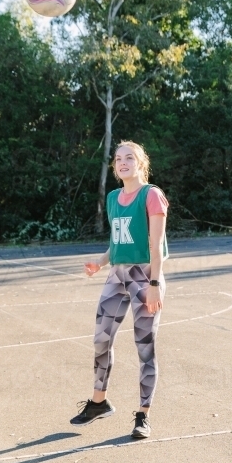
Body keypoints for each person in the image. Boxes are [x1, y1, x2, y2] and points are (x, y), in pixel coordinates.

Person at [70, 140, 169, 440]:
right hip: (117, 275)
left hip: (144, 277)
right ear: (114, 167)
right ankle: (99, 402)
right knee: (101, 339)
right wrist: (100, 263)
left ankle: (143, 415)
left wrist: (154, 284)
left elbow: (156, 245)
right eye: (118, 159)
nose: (122, 162)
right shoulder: (113, 198)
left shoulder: (152, 196)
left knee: (144, 347)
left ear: (141, 163)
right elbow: (117, 242)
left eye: (129, 158)